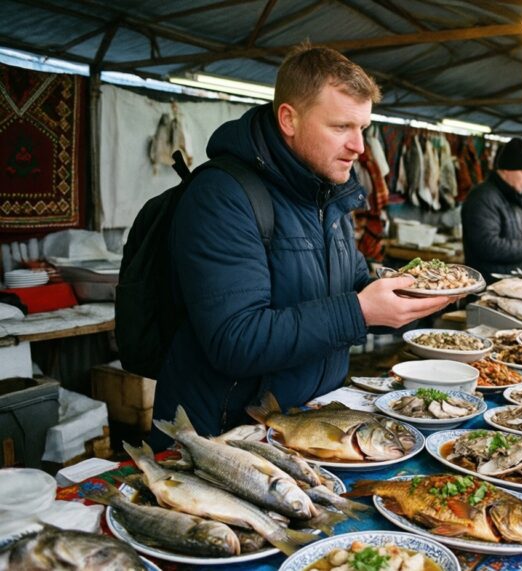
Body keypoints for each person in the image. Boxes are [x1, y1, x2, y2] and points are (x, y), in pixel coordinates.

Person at [152, 46, 455, 448]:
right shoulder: (223, 195)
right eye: (341, 127)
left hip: (306, 421)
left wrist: (415, 294)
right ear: (289, 119)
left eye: (362, 128)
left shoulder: (324, 194)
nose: (359, 147)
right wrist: (360, 311)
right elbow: (235, 340)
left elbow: (353, 283)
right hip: (222, 440)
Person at [460, 138, 522, 282]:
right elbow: (487, 246)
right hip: (488, 288)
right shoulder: (482, 197)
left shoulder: (512, 196)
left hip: (509, 283)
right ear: (506, 170)